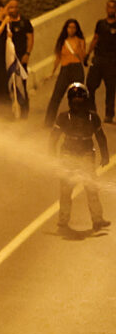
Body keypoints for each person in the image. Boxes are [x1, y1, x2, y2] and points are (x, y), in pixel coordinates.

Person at [50, 83, 110, 232]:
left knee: (91, 187)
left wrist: (105, 155)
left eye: (80, 99)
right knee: (66, 189)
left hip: (86, 154)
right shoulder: (63, 117)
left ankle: (97, 220)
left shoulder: (92, 117)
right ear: (70, 100)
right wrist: (51, 153)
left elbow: (101, 137)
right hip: (68, 155)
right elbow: (54, 137)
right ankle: (63, 221)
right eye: (75, 99)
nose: (77, 102)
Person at [45, 19, 88, 127]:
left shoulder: (80, 40)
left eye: (74, 27)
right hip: (65, 69)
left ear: (76, 29)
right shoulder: (62, 41)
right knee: (56, 96)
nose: (71, 30)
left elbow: (83, 57)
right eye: (69, 27)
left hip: (76, 68)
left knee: (77, 97)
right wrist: (52, 72)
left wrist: (80, 47)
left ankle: (78, 122)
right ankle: (48, 121)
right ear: (66, 28)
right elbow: (58, 58)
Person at [86, 0, 116, 122]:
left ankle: (109, 115)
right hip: (98, 59)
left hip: (111, 61)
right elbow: (95, 38)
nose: (111, 9)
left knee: (111, 89)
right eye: (109, 7)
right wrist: (88, 53)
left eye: (113, 7)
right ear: (106, 9)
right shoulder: (100, 24)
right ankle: (92, 110)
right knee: (90, 85)